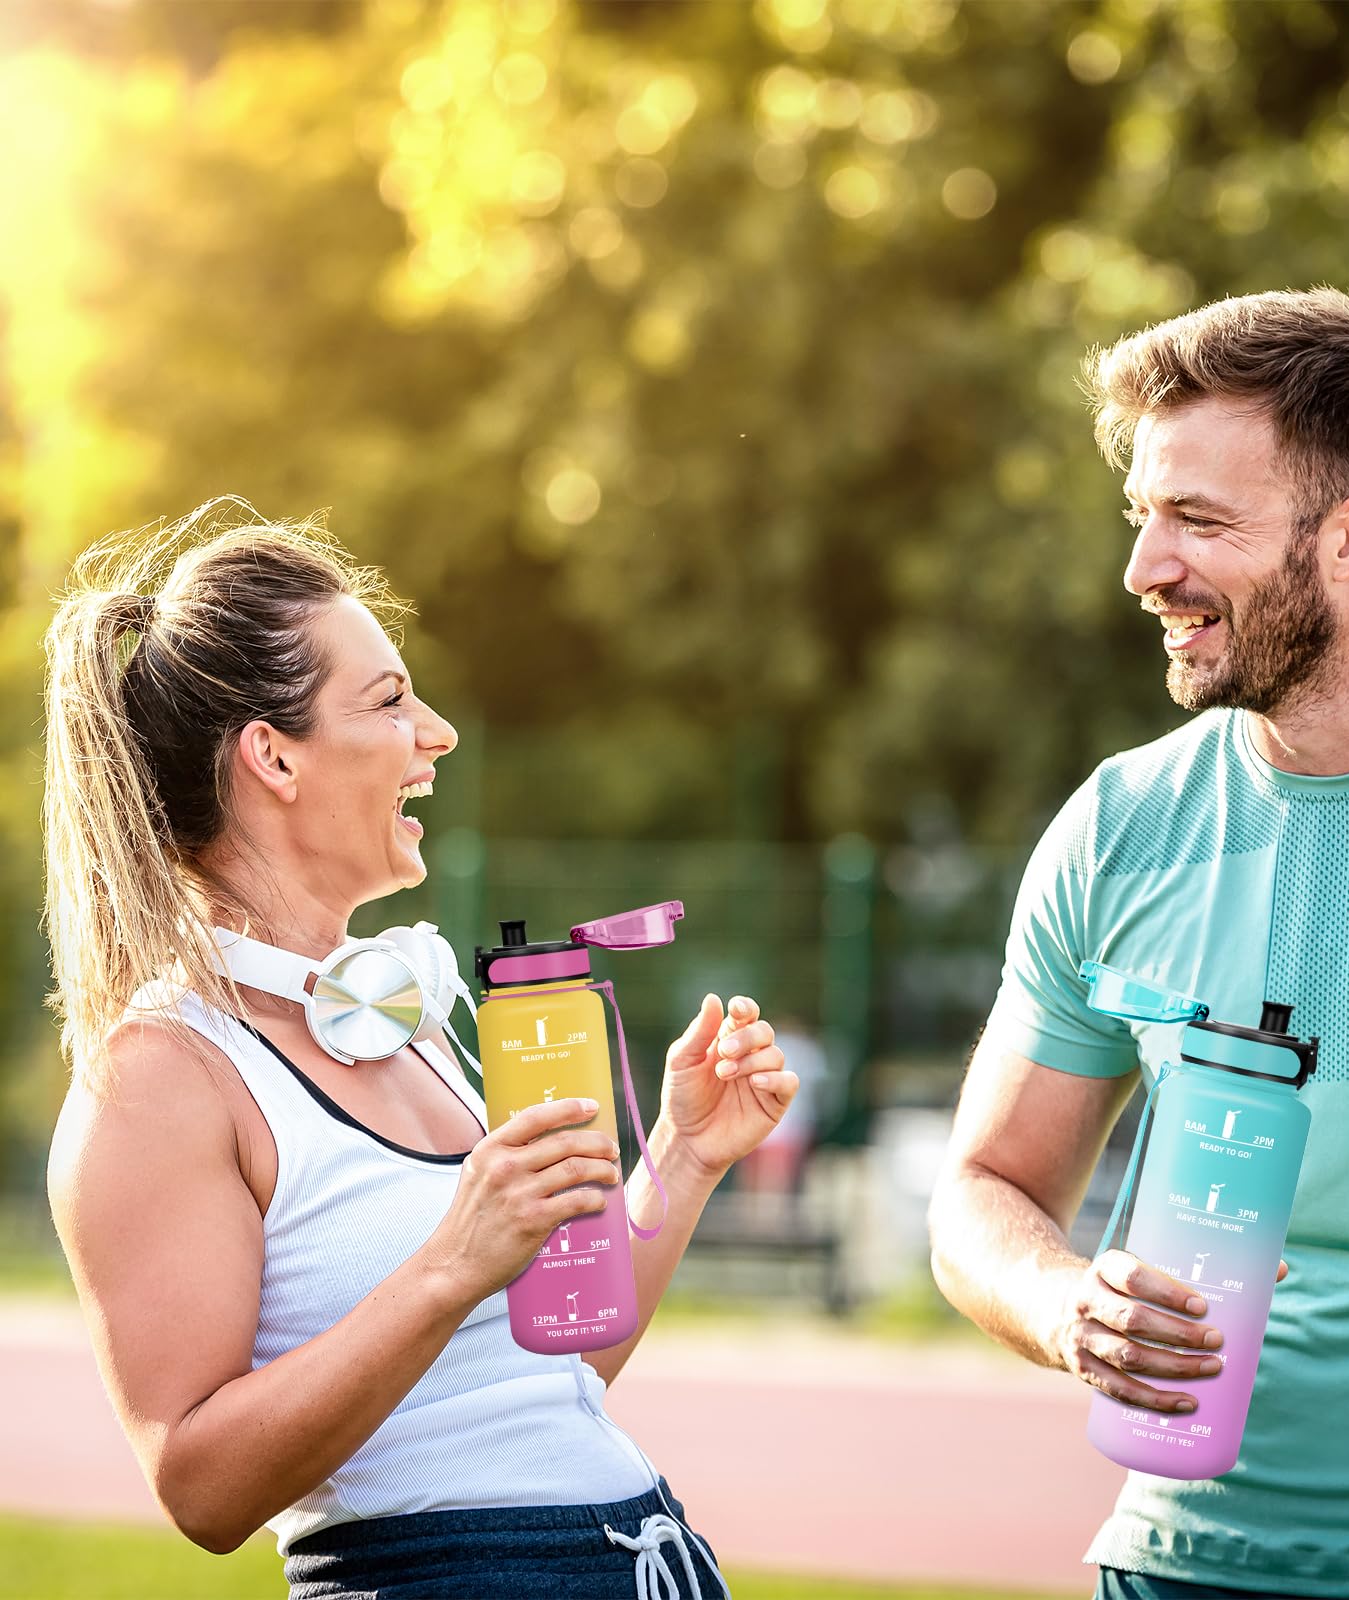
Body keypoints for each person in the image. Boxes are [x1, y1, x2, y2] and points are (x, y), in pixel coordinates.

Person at [927, 290, 1349, 1600]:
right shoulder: (1119, 827)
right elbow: (984, 1193)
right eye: (1143, 519)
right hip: (1176, 1570)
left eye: (1200, 522)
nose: (1144, 569)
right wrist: (1071, 1310)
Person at [42, 500, 796, 1599]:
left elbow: (554, 1367)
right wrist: (449, 1261)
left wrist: (682, 1157)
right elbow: (199, 1486)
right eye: (391, 701)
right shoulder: (161, 1076)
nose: (436, 732)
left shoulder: (395, 1016)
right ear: (273, 758)